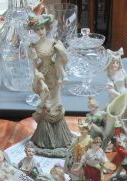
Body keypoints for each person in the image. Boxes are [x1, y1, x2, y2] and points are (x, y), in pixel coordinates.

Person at [26, 9, 73, 150]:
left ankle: (60, 136)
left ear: (46, 27)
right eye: (37, 29)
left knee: (56, 102)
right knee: (45, 104)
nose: (40, 31)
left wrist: (62, 51)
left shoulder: (54, 42)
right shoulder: (33, 46)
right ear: (34, 31)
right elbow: (34, 67)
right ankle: (45, 137)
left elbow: (62, 59)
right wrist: (38, 77)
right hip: (43, 76)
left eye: (42, 28)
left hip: (54, 74)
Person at [105, 48, 127, 112]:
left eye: (117, 63)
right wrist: (118, 95)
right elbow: (110, 89)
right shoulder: (110, 75)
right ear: (109, 63)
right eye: (113, 62)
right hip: (116, 95)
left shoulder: (122, 72)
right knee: (118, 109)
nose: (115, 64)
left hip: (125, 92)